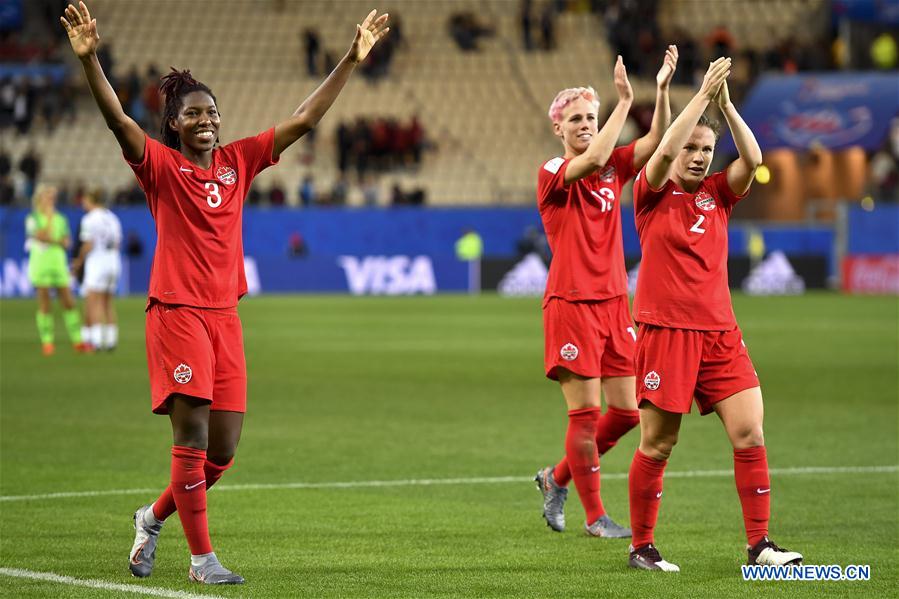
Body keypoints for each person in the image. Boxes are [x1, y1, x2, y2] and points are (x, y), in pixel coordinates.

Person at [60, 1, 389, 585]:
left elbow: (304, 119)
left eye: (211, 111)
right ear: (175, 124)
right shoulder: (159, 167)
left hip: (225, 317)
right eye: (194, 114)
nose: (207, 120)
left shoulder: (240, 162)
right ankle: (201, 560)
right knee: (190, 438)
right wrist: (92, 62)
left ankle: (151, 516)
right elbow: (117, 122)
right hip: (177, 312)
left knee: (224, 450)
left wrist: (350, 58)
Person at [626, 58, 803, 571]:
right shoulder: (651, 193)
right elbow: (659, 153)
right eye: (693, 149)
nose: (700, 157)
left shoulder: (719, 196)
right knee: (658, 443)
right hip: (666, 331)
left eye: (706, 149)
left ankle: (761, 546)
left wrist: (725, 104)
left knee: (750, 431)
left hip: (721, 333)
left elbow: (753, 156)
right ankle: (642, 546)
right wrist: (700, 96)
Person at [534, 48, 677, 538]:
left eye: (590, 117)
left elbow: (658, 140)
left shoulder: (614, 169)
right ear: (559, 128)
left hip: (616, 303)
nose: (585, 125)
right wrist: (622, 101)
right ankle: (595, 517)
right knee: (586, 411)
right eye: (576, 118)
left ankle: (556, 478)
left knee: (627, 412)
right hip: (571, 302)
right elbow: (593, 155)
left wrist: (657, 92)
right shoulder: (553, 170)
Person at [25, 184, 89, 355]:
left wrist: (53, 238)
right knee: (45, 304)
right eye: (48, 196)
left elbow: (67, 242)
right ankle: (47, 342)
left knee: (69, 302)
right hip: (41, 264)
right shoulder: (33, 218)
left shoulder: (61, 218)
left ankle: (78, 341)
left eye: (53, 197)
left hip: (58, 263)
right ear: (40, 198)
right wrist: (54, 236)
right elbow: (40, 236)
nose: (51, 199)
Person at [72, 193, 122, 351]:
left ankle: (97, 341)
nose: (83, 203)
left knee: (93, 303)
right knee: (108, 303)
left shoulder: (89, 218)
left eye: (85, 200)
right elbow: (118, 243)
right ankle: (112, 341)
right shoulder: (113, 218)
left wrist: (78, 262)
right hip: (113, 262)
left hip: (97, 263)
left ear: (92, 200)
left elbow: (88, 244)